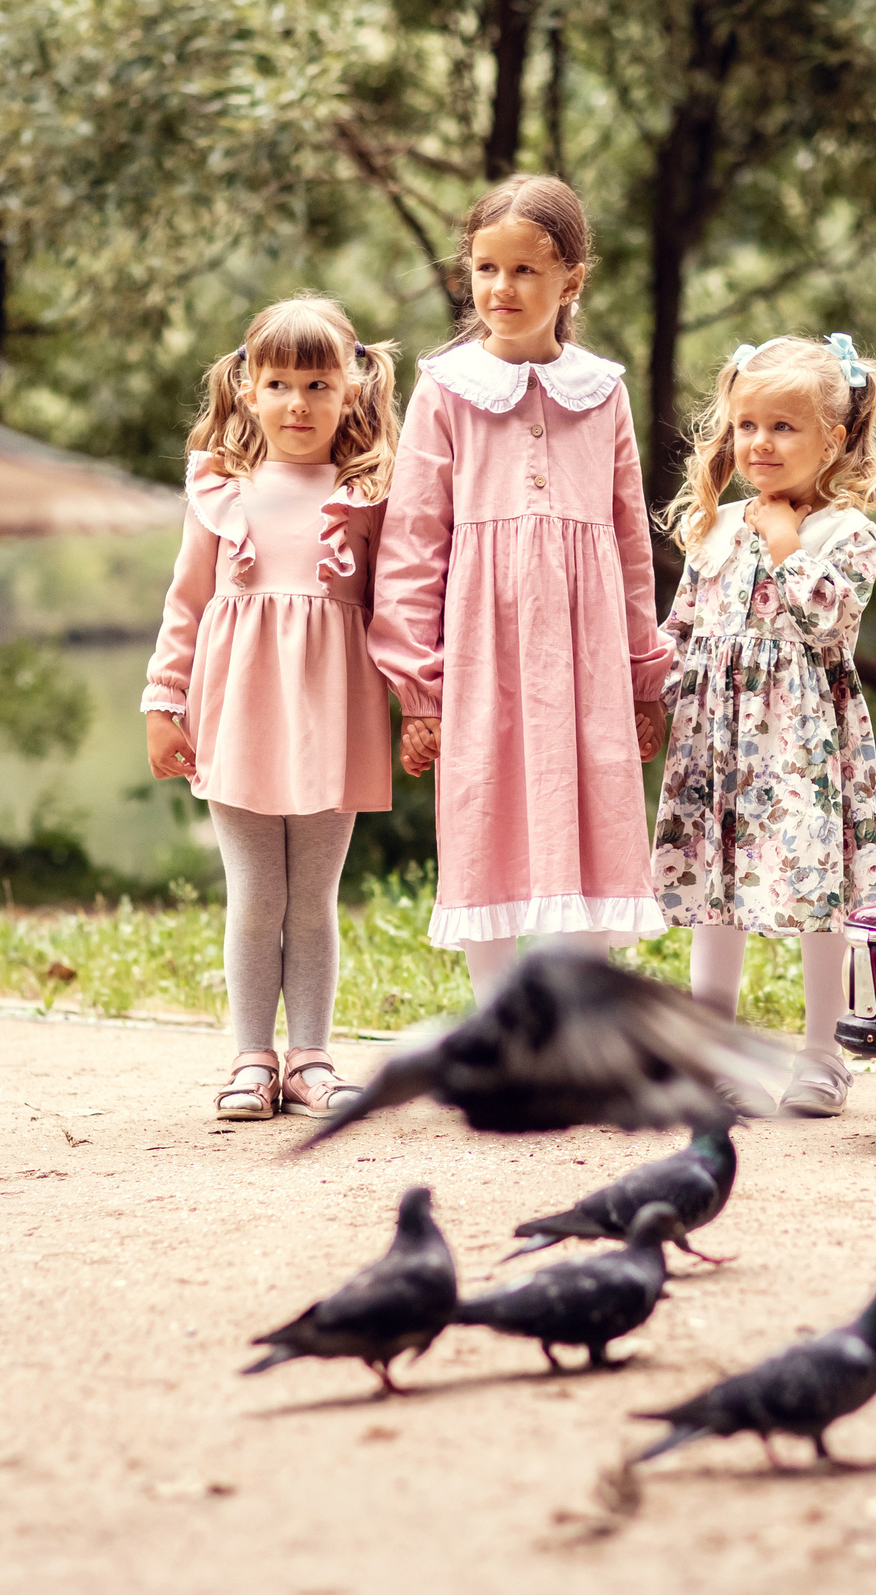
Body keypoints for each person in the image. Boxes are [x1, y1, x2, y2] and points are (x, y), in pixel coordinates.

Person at [368, 174, 672, 1001]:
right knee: (486, 809)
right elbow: (411, 543)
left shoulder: (601, 391)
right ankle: (499, 1027)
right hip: (482, 649)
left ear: (571, 280)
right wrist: (419, 687)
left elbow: (630, 538)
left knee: (593, 808)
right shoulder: (445, 389)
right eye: (485, 269)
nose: (501, 288)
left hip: (586, 650)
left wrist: (646, 674)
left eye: (525, 271)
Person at [144, 295, 399, 1119]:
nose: (299, 403)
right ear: (247, 388)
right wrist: (162, 700)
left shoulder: (368, 493)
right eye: (279, 382)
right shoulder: (222, 489)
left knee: (315, 895)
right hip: (239, 710)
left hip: (334, 713)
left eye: (319, 384)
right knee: (256, 894)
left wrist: (422, 700)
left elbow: (398, 607)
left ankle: (313, 1058)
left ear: (352, 389)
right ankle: (252, 1057)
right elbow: (185, 603)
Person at [650, 335, 876, 1116]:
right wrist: (646, 690)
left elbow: (827, 627)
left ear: (831, 438)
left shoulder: (845, 534)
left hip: (799, 746)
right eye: (748, 425)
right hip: (714, 741)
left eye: (784, 428)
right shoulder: (714, 527)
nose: (760, 442)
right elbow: (681, 627)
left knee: (815, 891)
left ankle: (822, 1053)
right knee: (713, 890)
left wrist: (789, 546)